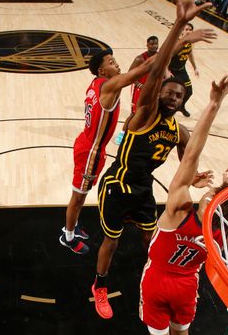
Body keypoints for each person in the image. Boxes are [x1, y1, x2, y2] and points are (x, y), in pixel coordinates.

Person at [92, 0, 216, 319]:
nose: (174, 96)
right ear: (158, 92)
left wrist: (192, 178)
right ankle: (99, 285)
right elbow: (159, 67)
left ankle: (153, 283)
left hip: (144, 190)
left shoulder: (177, 131)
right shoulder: (144, 113)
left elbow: (188, 154)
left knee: (156, 241)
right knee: (112, 243)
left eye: (179, 95)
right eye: (169, 92)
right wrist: (179, 25)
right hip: (117, 186)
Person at [139, 73, 228, 335]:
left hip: (157, 281)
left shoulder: (178, 207)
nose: (210, 190)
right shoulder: (221, 232)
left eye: (213, 194)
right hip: (187, 284)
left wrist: (213, 105)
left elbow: (193, 149)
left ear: (208, 203)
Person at [60, 45, 159, 254]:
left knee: (82, 195)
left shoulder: (97, 83)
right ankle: (67, 236)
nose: (117, 64)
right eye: (111, 62)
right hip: (91, 152)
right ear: (102, 71)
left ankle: (73, 225)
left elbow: (129, 75)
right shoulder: (109, 87)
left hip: (88, 144)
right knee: (78, 198)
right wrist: (173, 46)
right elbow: (143, 69)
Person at [113, 36, 159, 145]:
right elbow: (130, 74)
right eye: (152, 44)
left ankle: (143, 134)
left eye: (156, 44)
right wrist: (139, 84)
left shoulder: (160, 57)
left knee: (151, 113)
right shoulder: (140, 59)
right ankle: (122, 133)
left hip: (153, 89)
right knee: (135, 113)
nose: (154, 46)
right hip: (139, 88)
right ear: (147, 45)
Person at [168, 18, 210, 117]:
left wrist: (195, 67)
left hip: (181, 70)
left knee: (189, 91)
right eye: (186, 29)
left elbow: (190, 54)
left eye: (190, 29)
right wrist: (166, 71)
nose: (188, 31)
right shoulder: (176, 43)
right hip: (171, 70)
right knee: (171, 92)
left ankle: (181, 106)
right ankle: (168, 109)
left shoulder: (190, 43)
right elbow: (168, 57)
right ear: (182, 31)